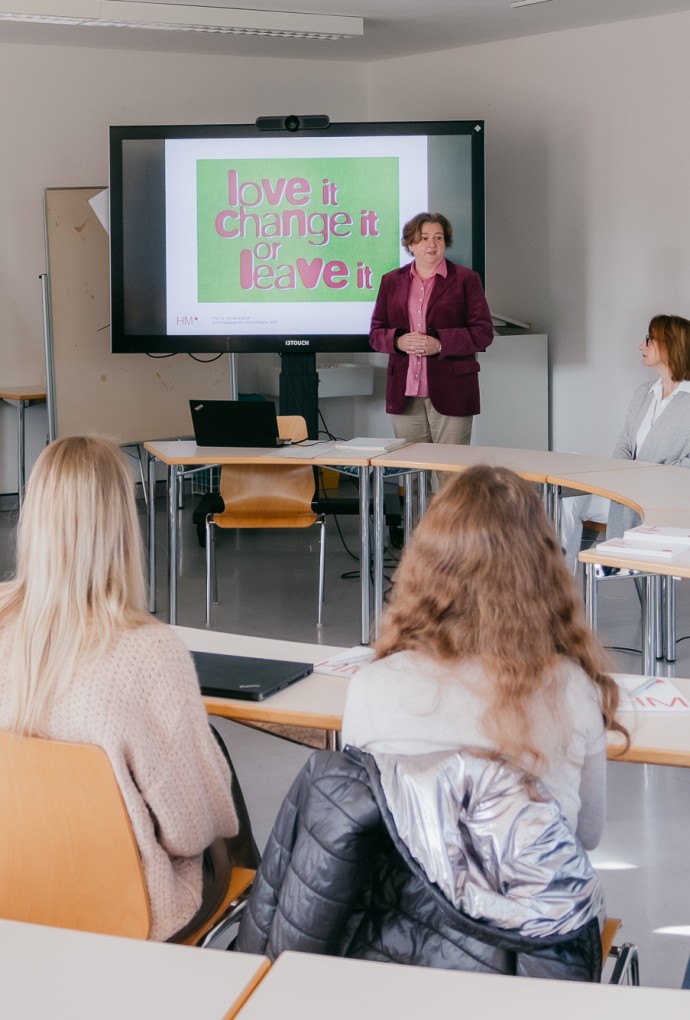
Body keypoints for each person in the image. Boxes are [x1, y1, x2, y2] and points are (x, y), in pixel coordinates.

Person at [0, 435, 247, 942]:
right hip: (128, 917)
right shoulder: (150, 653)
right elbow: (190, 830)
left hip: (15, 904)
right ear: (120, 528)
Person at [342, 464, 629, 851]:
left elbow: (363, 827)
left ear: (425, 563)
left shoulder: (370, 686)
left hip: (405, 905)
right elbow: (586, 837)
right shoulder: (572, 689)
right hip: (531, 909)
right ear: (541, 571)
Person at [561, 314, 690, 572]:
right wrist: (620, 479)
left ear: (669, 345)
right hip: (624, 493)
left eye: (648, 340)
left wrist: (640, 478)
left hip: (663, 499)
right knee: (565, 497)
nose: (641, 346)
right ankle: (556, 584)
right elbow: (623, 445)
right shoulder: (644, 392)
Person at [369, 212, 494, 447]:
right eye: (424, 238)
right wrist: (398, 341)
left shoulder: (467, 280)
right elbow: (376, 334)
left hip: (453, 391)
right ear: (411, 244)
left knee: (449, 473)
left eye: (438, 238)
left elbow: (483, 332)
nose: (432, 244)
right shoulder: (391, 281)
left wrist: (440, 344)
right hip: (404, 393)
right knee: (411, 475)